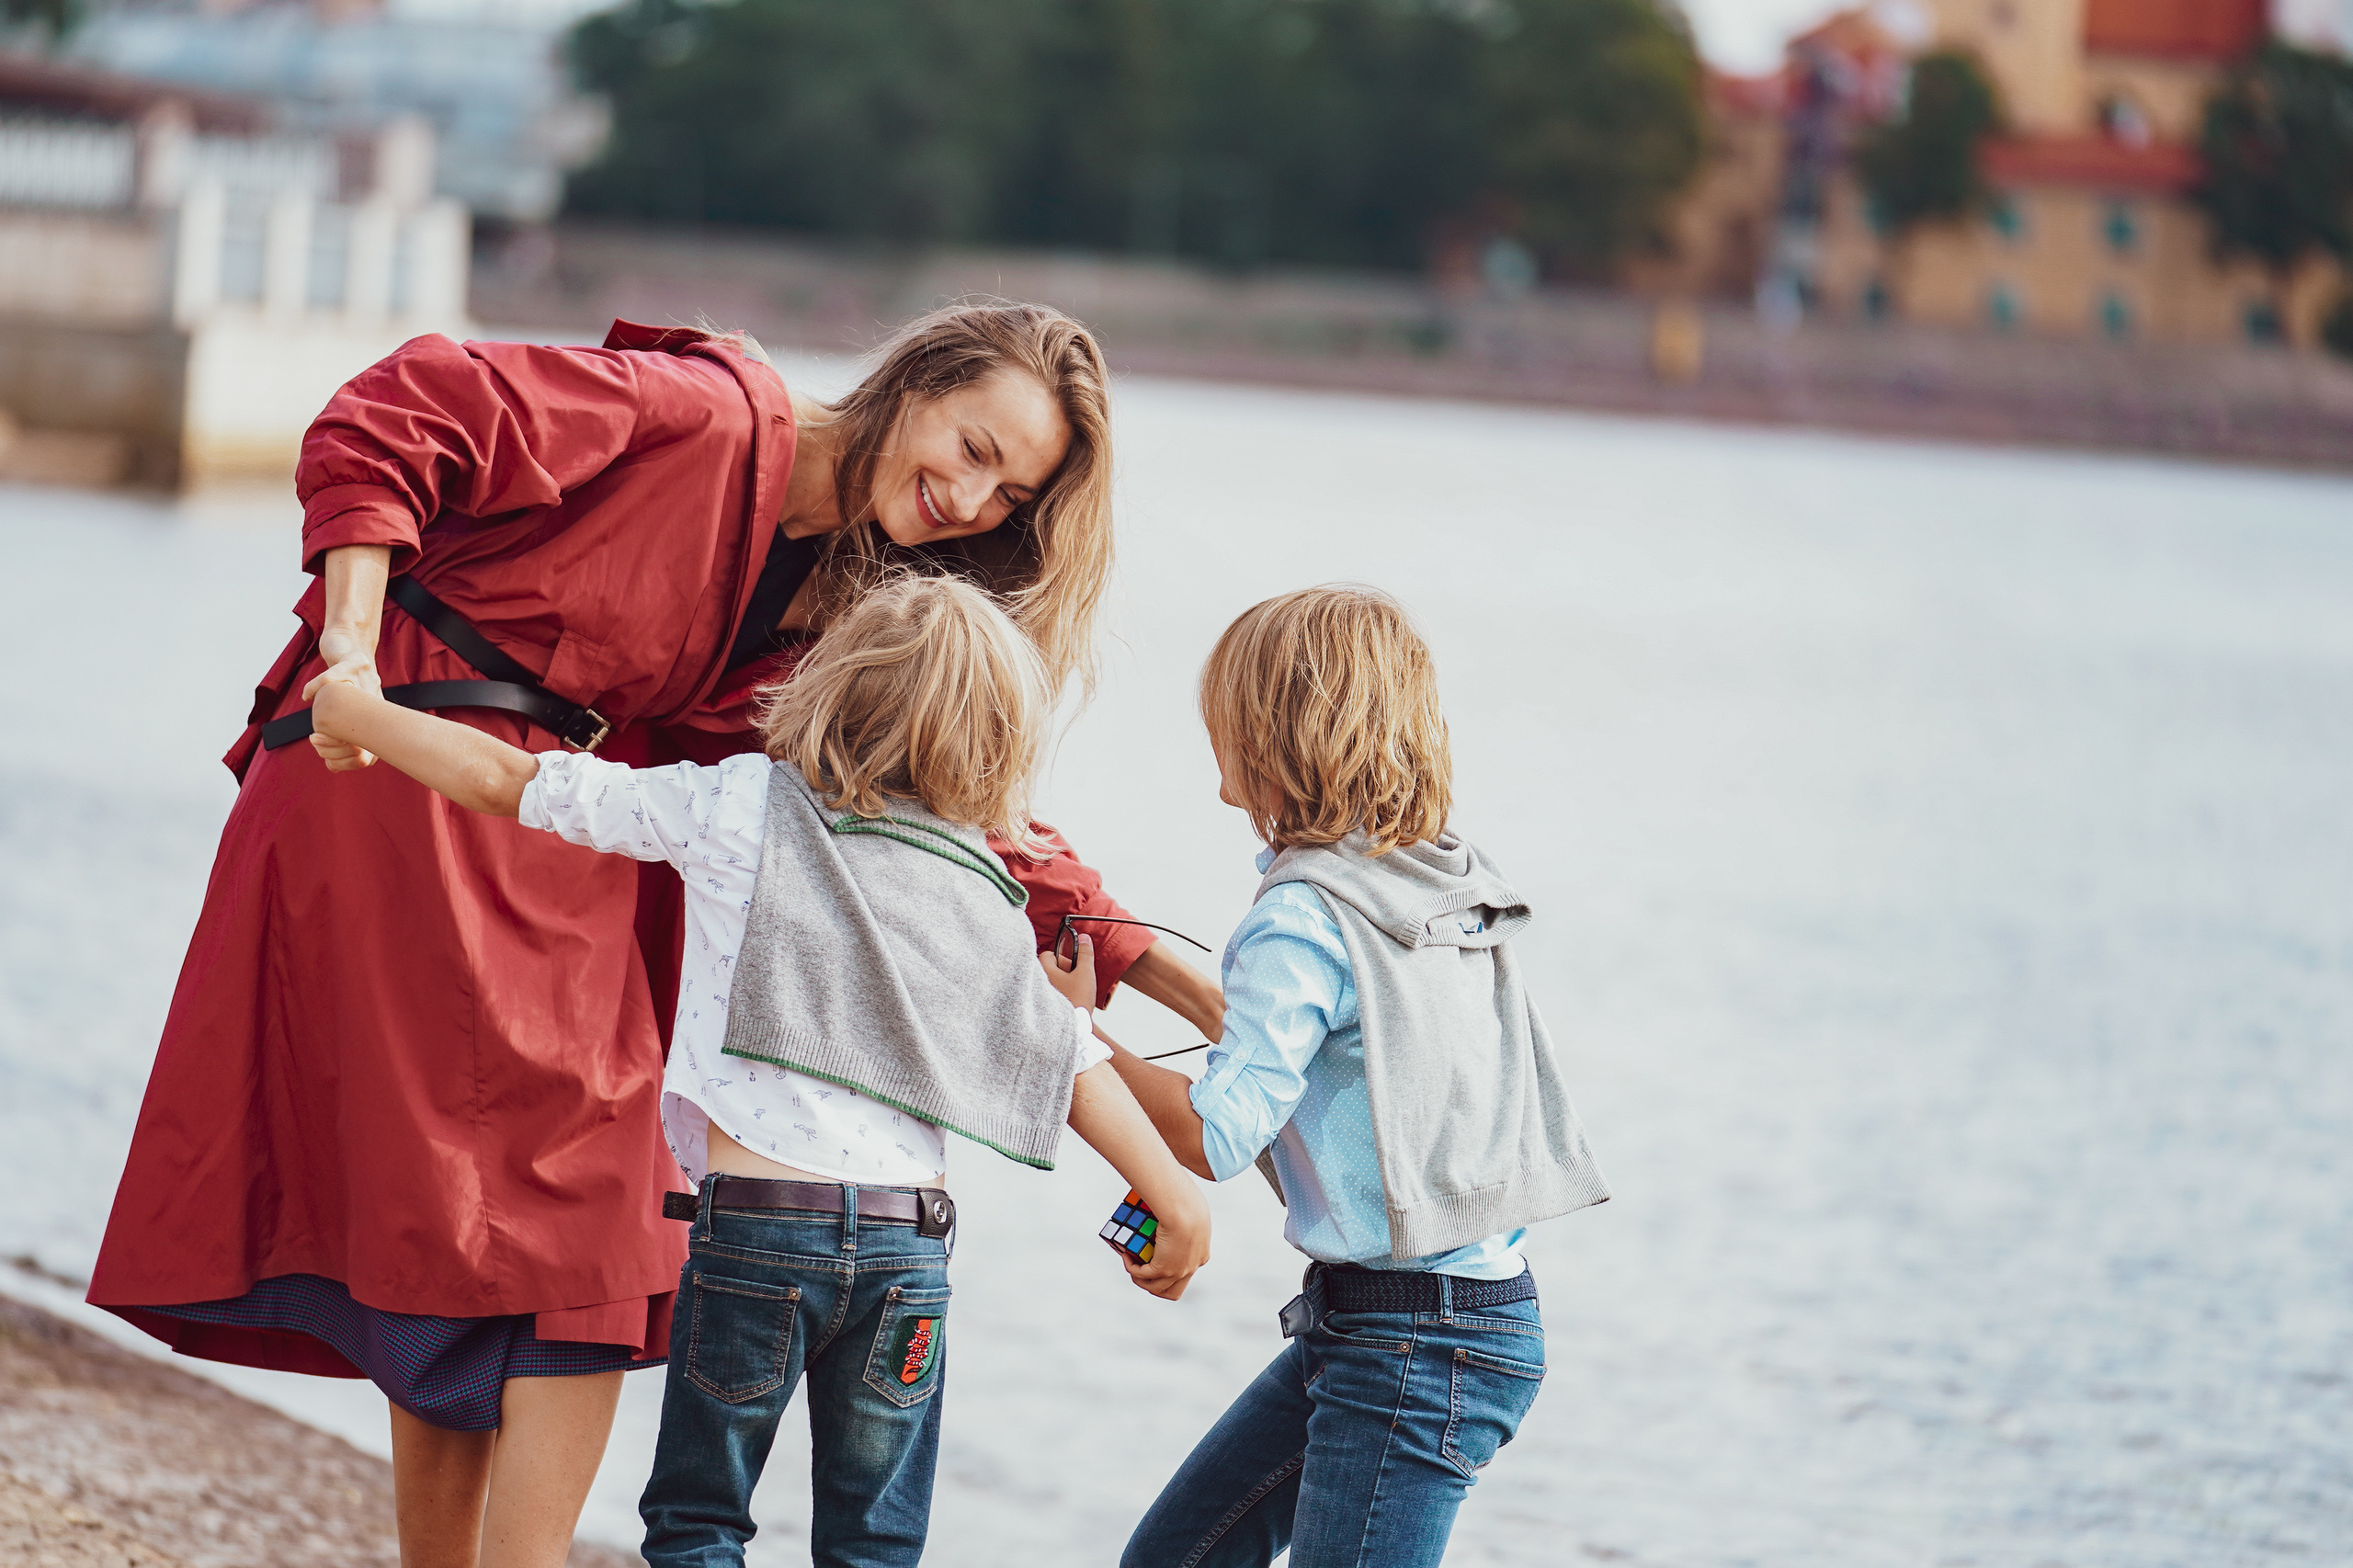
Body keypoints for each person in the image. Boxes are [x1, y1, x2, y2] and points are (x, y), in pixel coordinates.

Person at [85, 303, 1222, 1568]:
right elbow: (404, 405)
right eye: (971, 446)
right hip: (396, 773)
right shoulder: (704, 414)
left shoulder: (854, 604)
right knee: (578, 1218)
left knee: (528, 1231)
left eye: (1008, 494)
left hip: (558, 829)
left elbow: (948, 819)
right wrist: (347, 648)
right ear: (915, 382)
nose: (967, 498)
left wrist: (1192, 989)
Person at [307, 573, 1211, 1568]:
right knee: (874, 1542)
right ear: (999, 742)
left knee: (702, 1523)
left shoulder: (741, 803)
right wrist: (1171, 1196)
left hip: (758, 1234)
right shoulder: (983, 881)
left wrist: (358, 711)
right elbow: (1067, 1057)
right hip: (908, 1249)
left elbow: (514, 782)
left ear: (827, 688)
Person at [1102, 585, 1614, 1568]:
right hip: (1438, 1317)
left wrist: (1079, 1043)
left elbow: (1217, 1134)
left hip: (1411, 1344)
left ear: (1271, 740)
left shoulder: (1300, 915)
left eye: (1225, 735)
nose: (1221, 781)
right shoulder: (1438, 881)